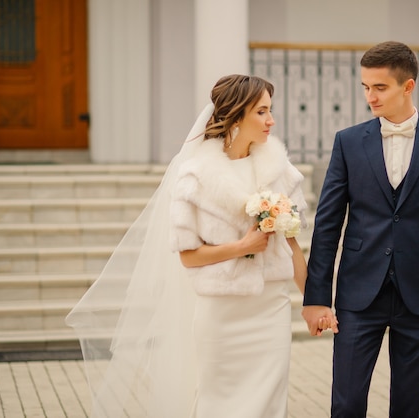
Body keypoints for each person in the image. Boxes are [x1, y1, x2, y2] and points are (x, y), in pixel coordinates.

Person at [66, 74, 309, 418]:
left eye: (271, 111)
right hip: (221, 312)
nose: (271, 120)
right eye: (261, 112)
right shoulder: (194, 177)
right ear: (236, 115)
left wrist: (314, 303)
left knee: (270, 402)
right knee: (217, 402)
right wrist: (242, 246)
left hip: (271, 307)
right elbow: (188, 256)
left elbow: (294, 247)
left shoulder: (280, 171)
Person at [302, 41, 419, 417]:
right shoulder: (347, 142)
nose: (370, 96)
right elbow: (327, 224)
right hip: (358, 293)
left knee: (407, 407)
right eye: (365, 87)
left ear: (408, 86)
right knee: (346, 404)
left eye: (379, 87)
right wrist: (317, 297)